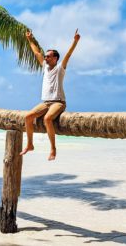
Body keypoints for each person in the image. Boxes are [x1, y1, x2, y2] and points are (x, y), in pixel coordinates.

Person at [20, 29, 80, 161]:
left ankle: (53, 148)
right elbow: (36, 52)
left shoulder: (60, 68)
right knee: (28, 117)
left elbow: (68, 55)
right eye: (46, 56)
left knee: (47, 119)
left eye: (48, 56)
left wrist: (75, 42)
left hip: (58, 102)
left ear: (55, 58)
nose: (45, 58)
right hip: (45, 102)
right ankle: (30, 144)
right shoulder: (45, 67)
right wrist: (30, 39)